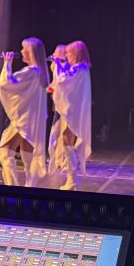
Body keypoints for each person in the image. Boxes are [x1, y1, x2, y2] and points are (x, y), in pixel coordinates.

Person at [0, 38, 48, 187]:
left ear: (30, 52)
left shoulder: (31, 72)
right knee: (28, 158)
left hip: (24, 121)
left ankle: (12, 188)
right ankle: (29, 190)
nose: (20, 52)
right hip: (32, 121)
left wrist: (7, 63)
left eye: (23, 49)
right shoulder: (40, 73)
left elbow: (7, 83)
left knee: (4, 152)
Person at [48, 40, 92, 190]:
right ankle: (72, 178)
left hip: (74, 114)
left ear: (76, 54)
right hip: (74, 112)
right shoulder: (80, 69)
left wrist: (58, 65)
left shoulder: (80, 68)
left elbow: (63, 81)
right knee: (66, 140)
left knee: (67, 140)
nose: (66, 56)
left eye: (68, 53)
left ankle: (72, 179)